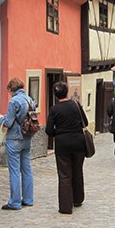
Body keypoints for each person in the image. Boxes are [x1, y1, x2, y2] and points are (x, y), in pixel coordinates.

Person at [45, 82, 87, 214]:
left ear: (55, 95)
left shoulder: (54, 109)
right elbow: (84, 122)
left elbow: (49, 130)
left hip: (63, 144)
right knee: (77, 170)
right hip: (78, 142)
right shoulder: (76, 105)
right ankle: (78, 199)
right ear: (67, 91)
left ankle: (65, 207)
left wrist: (58, 132)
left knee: (64, 175)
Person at [0, 77, 34, 210]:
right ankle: (28, 199)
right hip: (27, 137)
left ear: (12, 89)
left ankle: (15, 202)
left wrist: (1, 118)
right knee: (26, 169)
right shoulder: (30, 99)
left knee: (14, 171)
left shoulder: (14, 101)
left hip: (14, 138)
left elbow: (8, 122)